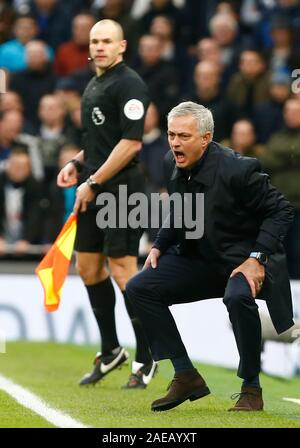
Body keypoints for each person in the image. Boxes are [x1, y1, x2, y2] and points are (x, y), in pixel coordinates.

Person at [126, 101, 295, 412]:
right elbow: (181, 209)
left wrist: (257, 258)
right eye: (171, 134)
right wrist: (160, 244)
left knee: (237, 298)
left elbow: (281, 210)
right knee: (139, 287)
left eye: (184, 136)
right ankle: (185, 374)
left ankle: (251, 389)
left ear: (206, 138)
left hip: (243, 260)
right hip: (201, 258)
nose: (175, 142)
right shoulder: (170, 162)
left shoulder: (239, 168)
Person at [57, 19, 157, 389]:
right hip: (95, 187)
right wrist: (78, 164)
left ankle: (148, 357)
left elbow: (130, 144)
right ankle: (112, 349)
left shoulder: (129, 84)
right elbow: (103, 142)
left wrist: (93, 181)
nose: (99, 46)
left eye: (107, 41)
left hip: (123, 192)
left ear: (122, 46)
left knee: (122, 269)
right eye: (95, 41)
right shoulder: (95, 82)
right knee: (87, 267)